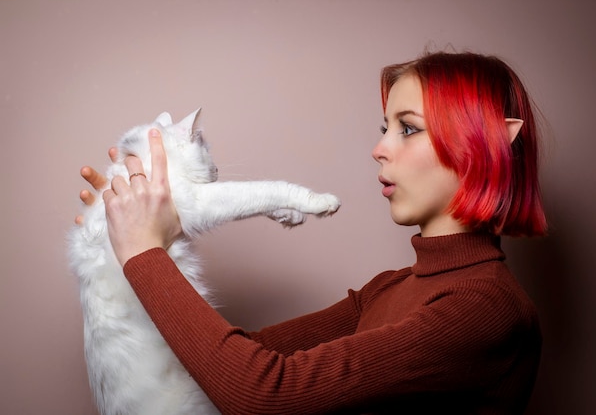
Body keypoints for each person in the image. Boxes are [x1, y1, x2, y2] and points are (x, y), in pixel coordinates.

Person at [77, 51, 547, 414]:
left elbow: (261, 394)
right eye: (385, 127)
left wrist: (142, 252)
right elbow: (225, 365)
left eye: (407, 129)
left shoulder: (485, 310)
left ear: (484, 146)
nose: (378, 149)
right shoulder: (389, 289)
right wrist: (119, 248)